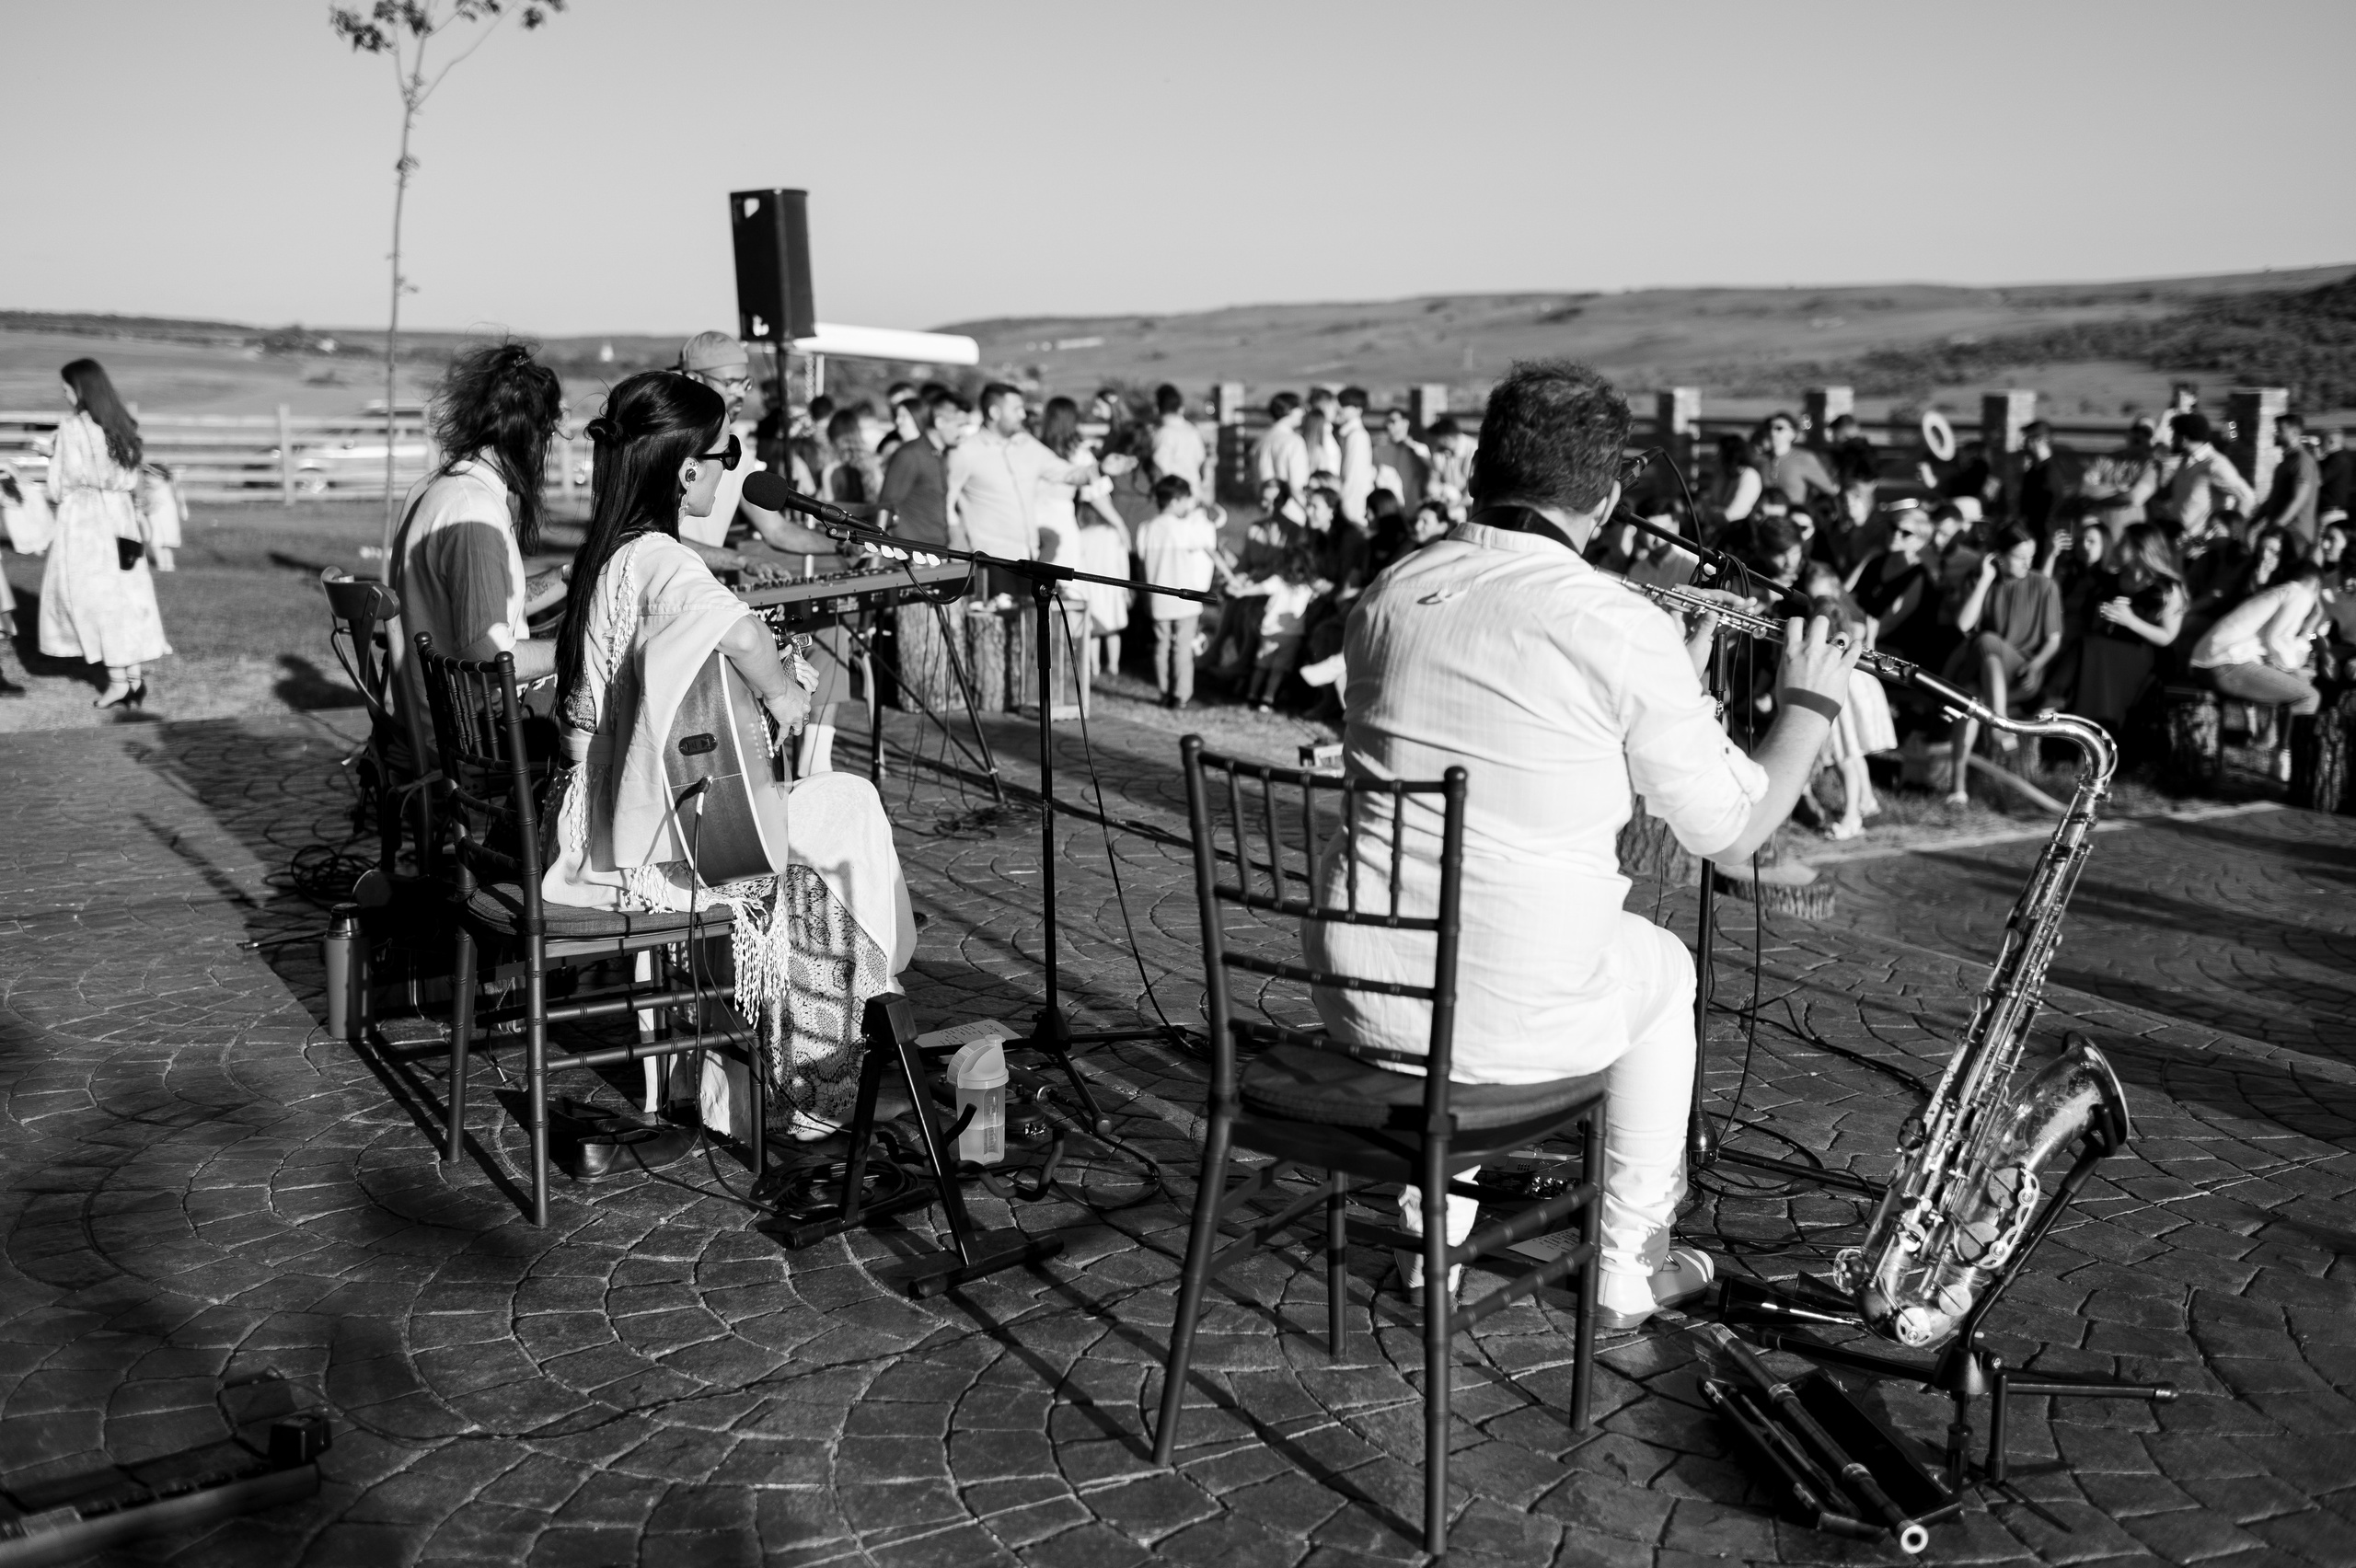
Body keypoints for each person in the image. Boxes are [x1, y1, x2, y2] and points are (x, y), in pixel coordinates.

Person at [1308, 360, 1863, 1321]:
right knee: (1665, 971)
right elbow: (1731, 834)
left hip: (1360, 990)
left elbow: (1504, 661)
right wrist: (1811, 703)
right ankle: (1627, 1263)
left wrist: (1634, 612)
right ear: (1606, 498)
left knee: (1496, 948)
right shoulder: (1613, 624)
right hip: (1500, 1014)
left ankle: (1426, 1241)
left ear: (1481, 467)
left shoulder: (1391, 592)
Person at [542, 371, 915, 1136]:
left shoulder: (607, 555)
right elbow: (740, 632)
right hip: (644, 848)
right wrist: (781, 692)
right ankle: (839, 1055)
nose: (733, 468)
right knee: (850, 807)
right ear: (687, 470)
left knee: (810, 833)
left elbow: (592, 717)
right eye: (727, 452)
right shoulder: (664, 560)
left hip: (598, 820)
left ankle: (774, 1071)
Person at [385, 341, 565, 741]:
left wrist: (567, 576)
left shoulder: (433, 487)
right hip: (476, 737)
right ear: (527, 434)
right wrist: (578, 649)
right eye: (548, 432)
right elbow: (487, 650)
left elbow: (474, 607)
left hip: (445, 714)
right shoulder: (473, 510)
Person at [38, 360, 171, 708]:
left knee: (93, 601)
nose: (65, 394)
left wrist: (51, 455)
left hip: (85, 522)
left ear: (80, 389)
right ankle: (134, 679)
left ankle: (117, 683)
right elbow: (127, 475)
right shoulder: (121, 423)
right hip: (120, 518)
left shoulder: (72, 428)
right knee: (124, 598)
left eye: (66, 387)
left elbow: (61, 484)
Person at [668, 333, 840, 572]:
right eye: (730, 383)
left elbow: (777, 530)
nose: (741, 393)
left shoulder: (737, 453)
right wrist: (741, 560)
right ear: (693, 379)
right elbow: (655, 539)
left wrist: (844, 545)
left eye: (745, 383)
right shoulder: (663, 446)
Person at [946, 383, 1114, 602]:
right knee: (997, 628)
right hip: (990, 560)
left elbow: (1066, 473)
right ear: (994, 412)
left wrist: (1100, 469)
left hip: (1027, 557)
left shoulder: (1027, 445)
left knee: (1027, 627)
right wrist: (958, 544)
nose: (1023, 414)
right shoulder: (965, 452)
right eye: (1016, 409)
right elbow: (946, 502)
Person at [1943, 525, 2063, 803]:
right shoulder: (1981, 579)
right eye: (2020, 557)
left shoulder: (2044, 585)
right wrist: (1985, 580)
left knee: (1972, 691)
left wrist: (2036, 666)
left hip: (2022, 671)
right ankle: (1960, 785)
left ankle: (1961, 780)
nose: (2028, 563)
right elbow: (1963, 624)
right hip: (1984, 666)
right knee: (1982, 661)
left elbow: (2053, 640)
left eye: (2031, 556)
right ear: (2000, 556)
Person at [1800, 561, 1896, 839]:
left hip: (1842, 686)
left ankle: (1852, 816)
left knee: (1845, 755)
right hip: (1857, 685)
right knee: (1851, 754)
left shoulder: (1828, 616)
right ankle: (1866, 802)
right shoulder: (1848, 614)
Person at [2070, 522, 2186, 743]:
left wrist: (2130, 620)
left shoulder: (2166, 588)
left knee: (2093, 647)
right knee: (2090, 644)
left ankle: (2050, 705)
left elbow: (2168, 637)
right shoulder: (2113, 580)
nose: (2117, 546)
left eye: (2123, 542)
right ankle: (2083, 732)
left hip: (2148, 657)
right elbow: (2095, 626)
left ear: (2139, 549)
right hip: (2110, 650)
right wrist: (2104, 615)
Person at [1134, 474, 1229, 709]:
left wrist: (1146, 596)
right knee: (1182, 648)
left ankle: (1164, 692)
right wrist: (1230, 576)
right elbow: (1210, 551)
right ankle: (1181, 695)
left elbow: (1141, 564)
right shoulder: (1184, 527)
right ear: (1176, 501)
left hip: (1158, 599)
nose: (1189, 505)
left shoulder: (1146, 528)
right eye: (1187, 500)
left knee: (1161, 645)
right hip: (1185, 598)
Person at [2190, 564, 2326, 722]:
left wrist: (2310, 632)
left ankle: (2266, 740)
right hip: (2226, 662)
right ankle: (2275, 745)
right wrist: (2296, 667)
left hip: (2209, 662)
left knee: (2293, 687)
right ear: (2317, 586)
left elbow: (2308, 636)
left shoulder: (2279, 593)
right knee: (2309, 697)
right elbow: (2279, 640)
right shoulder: (2300, 594)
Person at [874, 388, 968, 549]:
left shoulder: (939, 454)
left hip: (935, 553)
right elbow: (886, 508)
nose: (962, 433)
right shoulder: (910, 454)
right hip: (913, 557)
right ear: (940, 422)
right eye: (959, 425)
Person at [2156, 413, 2256, 539]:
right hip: (2179, 544)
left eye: (2174, 434)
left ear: (2184, 439)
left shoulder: (2214, 464)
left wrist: (2232, 535)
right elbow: (2164, 495)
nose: (2171, 439)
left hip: (2202, 548)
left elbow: (2247, 498)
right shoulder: (2184, 461)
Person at [2078, 418, 2165, 542]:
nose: (2139, 435)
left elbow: (2135, 498)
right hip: (2098, 540)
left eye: (2146, 432)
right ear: (2128, 433)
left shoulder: (2151, 466)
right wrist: (2122, 490)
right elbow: (2084, 489)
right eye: (2137, 430)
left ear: (2153, 440)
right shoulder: (2104, 459)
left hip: (2130, 541)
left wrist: (2098, 494)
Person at [2250, 413, 2321, 547]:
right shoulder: (2286, 462)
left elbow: (2298, 500)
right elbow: (2273, 499)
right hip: (2281, 532)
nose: (2275, 433)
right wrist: (2253, 521)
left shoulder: (2302, 461)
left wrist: (2277, 525)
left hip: (2295, 534)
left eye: (2280, 430)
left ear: (2294, 433)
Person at [1147, 384, 1209, 502]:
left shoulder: (1164, 433)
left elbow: (1159, 468)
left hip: (1173, 499)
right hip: (1194, 493)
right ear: (1181, 408)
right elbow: (1202, 463)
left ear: (1156, 408)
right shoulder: (1193, 431)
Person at [1372, 407, 1430, 513]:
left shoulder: (1420, 449)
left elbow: (1427, 478)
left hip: (1411, 509)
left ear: (1406, 423)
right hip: (1384, 509)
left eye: (1393, 422)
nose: (1389, 426)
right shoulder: (1379, 449)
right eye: (1387, 422)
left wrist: (1411, 449)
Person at [1333, 386, 1377, 525]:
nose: (1340, 409)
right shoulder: (1347, 433)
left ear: (1358, 410)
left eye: (1346, 406)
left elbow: (1353, 475)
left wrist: (1346, 507)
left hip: (1353, 505)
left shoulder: (1357, 436)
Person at [1252, 391, 1308, 496]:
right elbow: (1297, 482)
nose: (1303, 412)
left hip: (1266, 503)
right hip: (1290, 504)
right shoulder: (1294, 441)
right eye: (1300, 407)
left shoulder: (1261, 440)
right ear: (1289, 410)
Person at [1705, 432, 1763, 534]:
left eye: (1719, 452)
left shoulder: (1749, 476)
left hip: (1737, 535)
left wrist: (1712, 512)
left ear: (1729, 454)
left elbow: (1734, 515)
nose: (1715, 456)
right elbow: (1707, 506)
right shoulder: (1722, 475)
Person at [1423, 417, 1476, 518]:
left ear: (1447, 438)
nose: (1432, 444)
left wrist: (1454, 505)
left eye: (1435, 440)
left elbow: (1472, 488)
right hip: (1448, 502)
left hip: (1470, 506)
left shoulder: (1473, 450)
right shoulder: (1438, 451)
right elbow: (1433, 478)